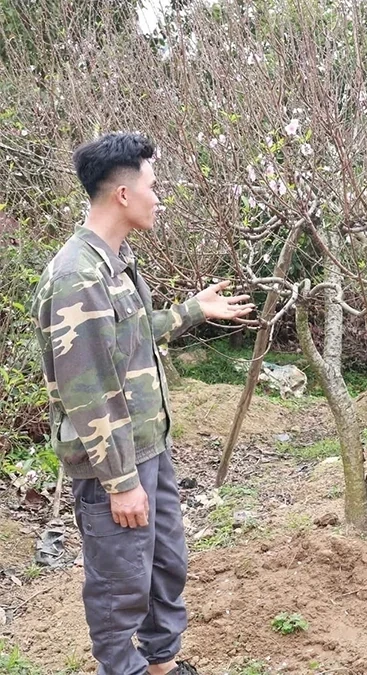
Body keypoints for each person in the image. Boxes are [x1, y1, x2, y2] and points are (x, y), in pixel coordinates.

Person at [30, 132, 255, 675]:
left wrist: (193, 310)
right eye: (153, 186)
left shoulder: (114, 261)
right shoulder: (77, 276)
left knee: (162, 567)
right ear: (124, 195)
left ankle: (161, 666)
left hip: (147, 445)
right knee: (120, 585)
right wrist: (121, 481)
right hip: (114, 461)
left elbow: (127, 337)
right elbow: (87, 392)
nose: (159, 198)